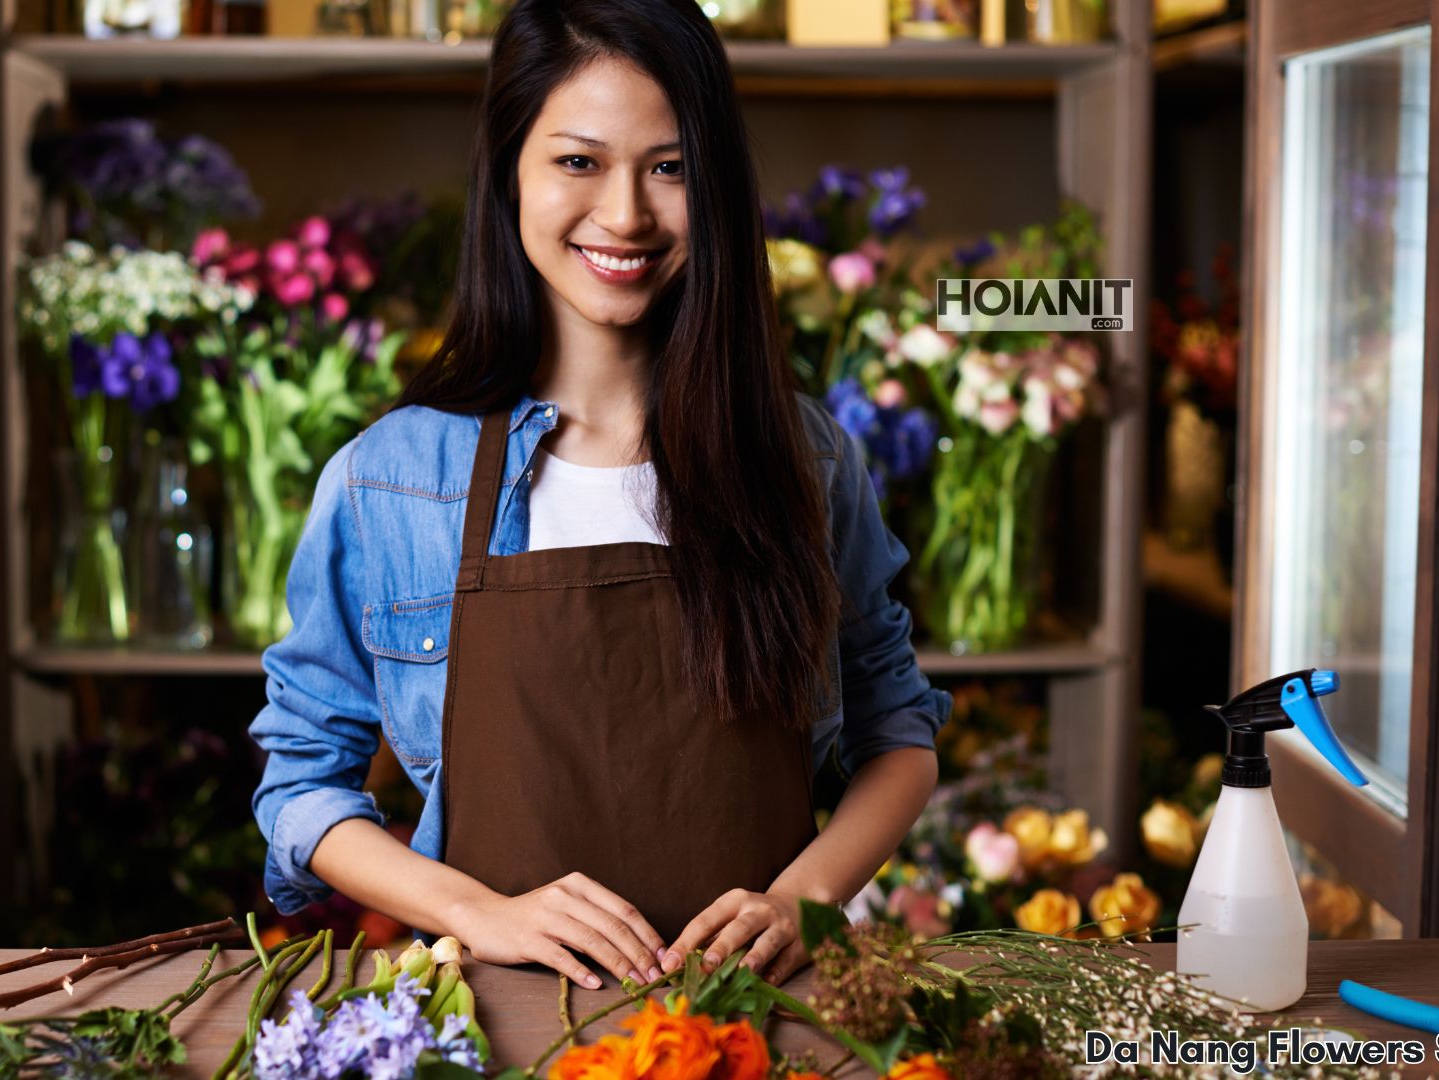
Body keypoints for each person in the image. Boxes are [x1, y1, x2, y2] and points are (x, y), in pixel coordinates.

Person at [250, 0, 950, 990]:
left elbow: (899, 733)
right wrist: (478, 913)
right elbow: (301, 785)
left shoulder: (805, 459)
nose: (625, 215)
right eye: (579, 161)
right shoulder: (390, 480)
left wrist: (807, 897)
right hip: (501, 1022)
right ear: (509, 172)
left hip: (766, 1018)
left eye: (670, 168)